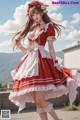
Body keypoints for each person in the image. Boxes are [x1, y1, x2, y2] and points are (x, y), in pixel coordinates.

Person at [9, 1, 78, 120]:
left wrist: (55, 62)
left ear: (42, 13)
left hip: (42, 63)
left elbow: (50, 47)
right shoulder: (31, 29)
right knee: (37, 102)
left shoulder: (48, 26)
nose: (35, 16)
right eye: (32, 15)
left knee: (40, 100)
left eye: (37, 13)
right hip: (28, 65)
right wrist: (20, 45)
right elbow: (29, 52)